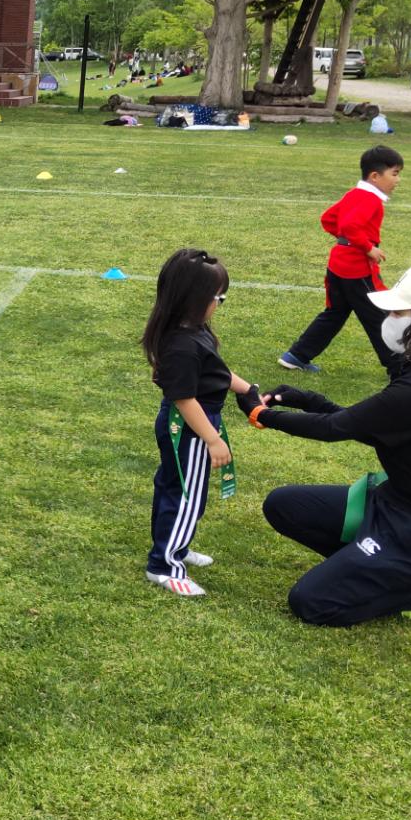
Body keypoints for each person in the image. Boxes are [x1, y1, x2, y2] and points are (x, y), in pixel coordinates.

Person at [246, 264, 411, 625]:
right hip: (394, 504)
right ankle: (373, 568)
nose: (389, 320)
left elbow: (335, 428)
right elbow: (366, 423)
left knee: (310, 603)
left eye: (399, 313)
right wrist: (308, 399)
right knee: (283, 506)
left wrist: (262, 414)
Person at [139, 248, 261, 597]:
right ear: (193, 299)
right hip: (190, 428)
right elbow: (185, 399)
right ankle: (164, 565)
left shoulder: (194, 330)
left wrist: (248, 389)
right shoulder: (181, 345)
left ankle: (175, 545)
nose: (220, 304)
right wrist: (212, 439)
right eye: (218, 298)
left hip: (192, 424)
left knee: (178, 488)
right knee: (185, 495)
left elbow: (216, 372)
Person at [278, 146, 403, 374]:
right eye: (394, 174)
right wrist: (367, 247)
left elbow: (328, 218)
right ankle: (400, 367)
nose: (398, 180)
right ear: (375, 176)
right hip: (356, 268)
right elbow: (349, 225)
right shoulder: (371, 199)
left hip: (338, 264)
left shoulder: (353, 194)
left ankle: (296, 355)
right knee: (378, 315)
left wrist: (345, 242)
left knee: (335, 313)